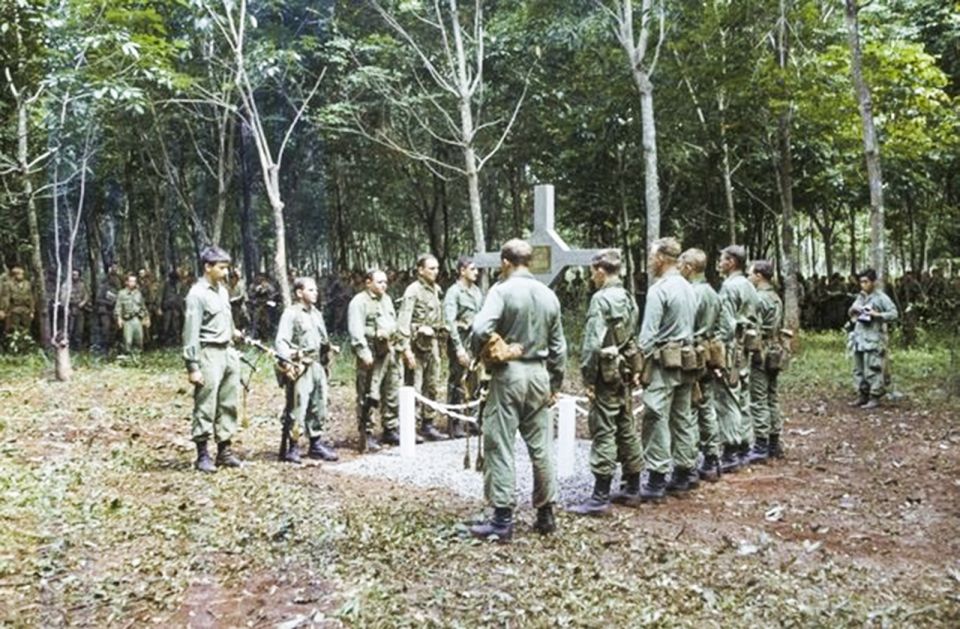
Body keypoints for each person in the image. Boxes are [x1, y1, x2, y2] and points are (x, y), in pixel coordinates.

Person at [468, 239, 567, 542]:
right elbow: (559, 347)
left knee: (500, 443)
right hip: (539, 375)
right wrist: (555, 383)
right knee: (542, 447)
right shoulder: (549, 295)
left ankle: (501, 519)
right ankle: (546, 514)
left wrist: (484, 352)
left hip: (509, 374)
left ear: (506, 263)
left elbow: (480, 328)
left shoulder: (501, 290)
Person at [570, 249, 644, 515]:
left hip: (606, 374)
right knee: (625, 425)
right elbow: (633, 336)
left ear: (601, 270)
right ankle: (633, 488)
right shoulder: (627, 297)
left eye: (592, 272)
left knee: (603, 429)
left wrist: (588, 378)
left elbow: (592, 344)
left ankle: (600, 496)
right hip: (623, 372)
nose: (591, 277)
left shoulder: (601, 300)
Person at [635, 237, 698, 501]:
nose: (650, 262)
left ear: (661, 258)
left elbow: (648, 333)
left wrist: (639, 363)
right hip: (688, 358)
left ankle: (657, 478)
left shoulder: (659, 290)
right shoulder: (688, 287)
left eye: (651, 257)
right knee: (682, 415)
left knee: (655, 414)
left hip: (663, 361)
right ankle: (684, 472)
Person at [182, 246, 243, 473]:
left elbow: (226, 317)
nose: (226, 272)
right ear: (208, 267)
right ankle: (202, 454)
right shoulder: (196, 294)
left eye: (226, 267)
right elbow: (190, 332)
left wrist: (234, 332)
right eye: (221, 267)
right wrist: (193, 366)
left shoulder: (222, 290)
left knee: (228, 402)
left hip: (227, 351)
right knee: (206, 403)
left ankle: (224, 450)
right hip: (208, 353)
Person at [275, 277, 339, 463]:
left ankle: (316, 443)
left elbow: (321, 339)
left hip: (317, 364)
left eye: (316, 290)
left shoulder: (316, 314)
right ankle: (293, 446)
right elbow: (281, 341)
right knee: (298, 406)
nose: (315, 293)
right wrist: (287, 364)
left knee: (319, 404)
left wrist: (329, 349)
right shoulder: (291, 314)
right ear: (299, 293)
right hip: (301, 366)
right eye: (310, 290)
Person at [678, 248, 725, 482]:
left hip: (692, 355)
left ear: (689, 267)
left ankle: (688, 461)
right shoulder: (712, 292)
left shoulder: (690, 293)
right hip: (708, 352)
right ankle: (711, 457)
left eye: (681, 264)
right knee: (707, 406)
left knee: (687, 408)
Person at [715, 245, 759, 472]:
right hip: (746, 348)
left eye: (722, 259)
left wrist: (719, 353)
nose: (720, 263)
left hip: (733, 348)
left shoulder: (729, 287)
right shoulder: (749, 286)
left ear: (731, 262)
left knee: (728, 397)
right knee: (742, 395)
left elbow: (725, 324)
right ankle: (743, 444)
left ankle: (731, 450)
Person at [347, 269, 403, 451]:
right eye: (379, 282)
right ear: (368, 282)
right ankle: (367, 432)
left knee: (392, 389)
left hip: (388, 351)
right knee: (368, 393)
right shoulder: (359, 302)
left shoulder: (386, 300)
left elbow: (393, 322)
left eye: (385, 282)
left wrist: (389, 333)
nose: (384, 285)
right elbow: (356, 330)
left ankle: (390, 427)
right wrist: (364, 352)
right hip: (371, 354)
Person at [398, 254, 448, 441]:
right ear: (420, 270)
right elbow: (403, 321)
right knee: (414, 385)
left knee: (432, 383)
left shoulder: (436, 290)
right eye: (431, 268)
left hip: (433, 343)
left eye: (436, 268)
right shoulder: (413, 291)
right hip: (416, 344)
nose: (435, 272)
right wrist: (406, 349)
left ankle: (428, 423)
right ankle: (410, 426)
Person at [744, 260, 785, 462]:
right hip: (775, 349)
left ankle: (761, 444)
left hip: (761, 351)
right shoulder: (776, 297)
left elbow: (752, 327)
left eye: (750, 274)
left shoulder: (758, 299)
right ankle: (774, 441)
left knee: (758, 398)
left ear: (759, 275)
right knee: (772, 396)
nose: (748, 277)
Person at [442, 256, 485, 437]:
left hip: (474, 343)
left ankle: (473, 420)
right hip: (459, 342)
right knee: (457, 381)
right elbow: (450, 322)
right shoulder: (454, 292)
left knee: (475, 380)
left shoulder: (476, 291)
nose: (476, 272)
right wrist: (458, 348)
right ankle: (454, 421)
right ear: (462, 271)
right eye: (472, 269)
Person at [847, 268, 898, 409]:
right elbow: (851, 312)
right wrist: (854, 311)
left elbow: (894, 314)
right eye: (861, 282)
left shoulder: (881, 298)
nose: (863, 285)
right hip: (859, 337)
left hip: (873, 338)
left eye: (866, 282)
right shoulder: (861, 297)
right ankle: (862, 394)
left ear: (873, 282)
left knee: (873, 368)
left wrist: (877, 315)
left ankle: (875, 396)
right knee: (858, 369)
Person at [115, 273, 148, 356]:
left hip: (137, 318)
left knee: (139, 339)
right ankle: (128, 356)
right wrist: (119, 318)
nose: (132, 283)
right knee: (128, 340)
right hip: (127, 320)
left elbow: (143, 306)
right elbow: (118, 307)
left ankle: (137, 356)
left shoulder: (138, 293)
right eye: (131, 281)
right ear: (127, 282)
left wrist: (146, 318)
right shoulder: (121, 293)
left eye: (134, 281)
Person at [1, 265, 35, 337]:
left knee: (26, 331)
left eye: (22, 274)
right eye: (19, 274)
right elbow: (5, 298)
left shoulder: (27, 284)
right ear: (14, 275)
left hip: (26, 311)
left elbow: (31, 298)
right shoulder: (8, 284)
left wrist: (32, 311)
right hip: (13, 311)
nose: (21, 275)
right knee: (13, 331)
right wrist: (3, 310)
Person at [60, 269, 90, 348]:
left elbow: (86, 296)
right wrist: (66, 307)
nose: (74, 276)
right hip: (69, 308)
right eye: (73, 274)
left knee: (79, 329)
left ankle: (78, 347)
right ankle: (67, 346)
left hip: (80, 309)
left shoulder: (82, 285)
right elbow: (62, 298)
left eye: (76, 275)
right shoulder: (66, 285)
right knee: (69, 328)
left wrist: (83, 303)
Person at [95, 266, 121, 352]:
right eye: (113, 277)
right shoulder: (103, 287)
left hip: (114, 311)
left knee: (115, 329)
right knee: (106, 328)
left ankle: (112, 346)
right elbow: (98, 299)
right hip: (105, 311)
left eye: (116, 278)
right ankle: (104, 347)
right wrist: (108, 303)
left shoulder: (118, 289)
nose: (114, 280)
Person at [160, 270, 184, 346]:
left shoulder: (179, 285)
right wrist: (159, 307)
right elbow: (160, 296)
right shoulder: (165, 285)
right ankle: (165, 342)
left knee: (176, 325)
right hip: (167, 308)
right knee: (166, 326)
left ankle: (176, 341)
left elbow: (180, 296)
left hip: (176, 308)